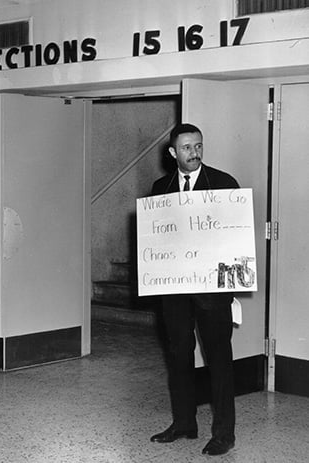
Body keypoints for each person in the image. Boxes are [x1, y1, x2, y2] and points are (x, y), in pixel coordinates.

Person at [149, 123, 239, 456]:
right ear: (173, 153)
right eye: (186, 148)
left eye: (198, 146)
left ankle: (224, 433)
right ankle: (184, 423)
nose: (194, 153)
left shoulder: (224, 184)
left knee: (219, 359)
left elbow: (236, 235)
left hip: (212, 291)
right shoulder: (161, 188)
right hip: (174, 290)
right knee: (178, 356)